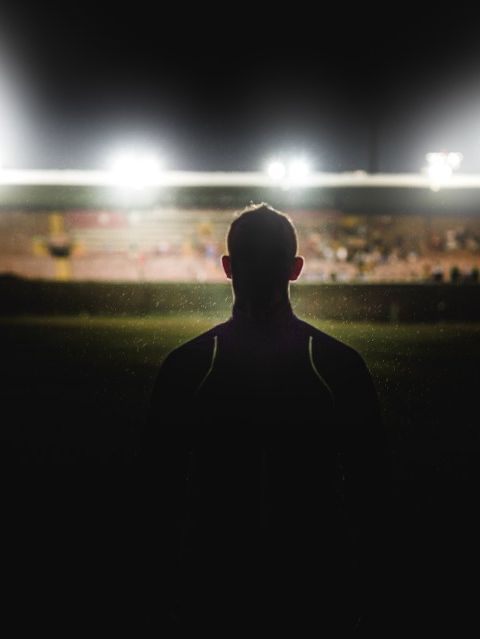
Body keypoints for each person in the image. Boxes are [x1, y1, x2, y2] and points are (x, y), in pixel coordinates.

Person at [131, 203, 396, 634]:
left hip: (228, 591)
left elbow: (154, 497)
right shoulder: (337, 365)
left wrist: (152, 595)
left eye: (262, 258)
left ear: (225, 267)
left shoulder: (189, 366)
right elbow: (375, 494)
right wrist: (379, 594)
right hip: (299, 591)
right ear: (296, 268)